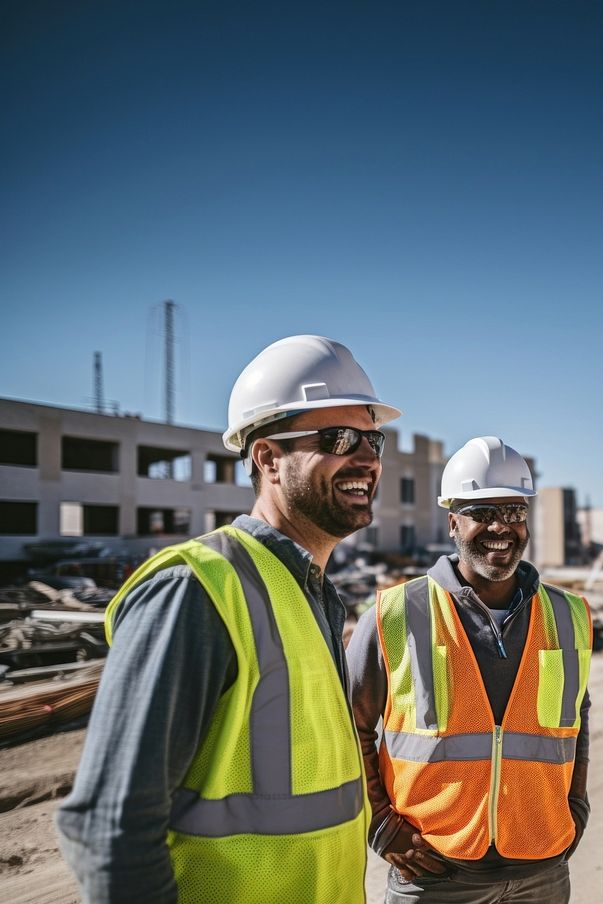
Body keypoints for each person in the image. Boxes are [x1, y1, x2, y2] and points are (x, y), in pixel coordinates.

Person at [57, 335, 401, 904]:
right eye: (339, 439)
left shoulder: (310, 595)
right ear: (267, 458)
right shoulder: (196, 589)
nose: (366, 457)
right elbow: (111, 828)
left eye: (373, 439)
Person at [347, 436, 592, 904]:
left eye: (514, 512)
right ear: (452, 521)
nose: (501, 527)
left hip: (542, 870)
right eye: (482, 513)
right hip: (434, 873)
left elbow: (577, 718)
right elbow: (349, 728)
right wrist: (382, 826)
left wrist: (575, 808)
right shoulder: (395, 613)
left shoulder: (570, 614)